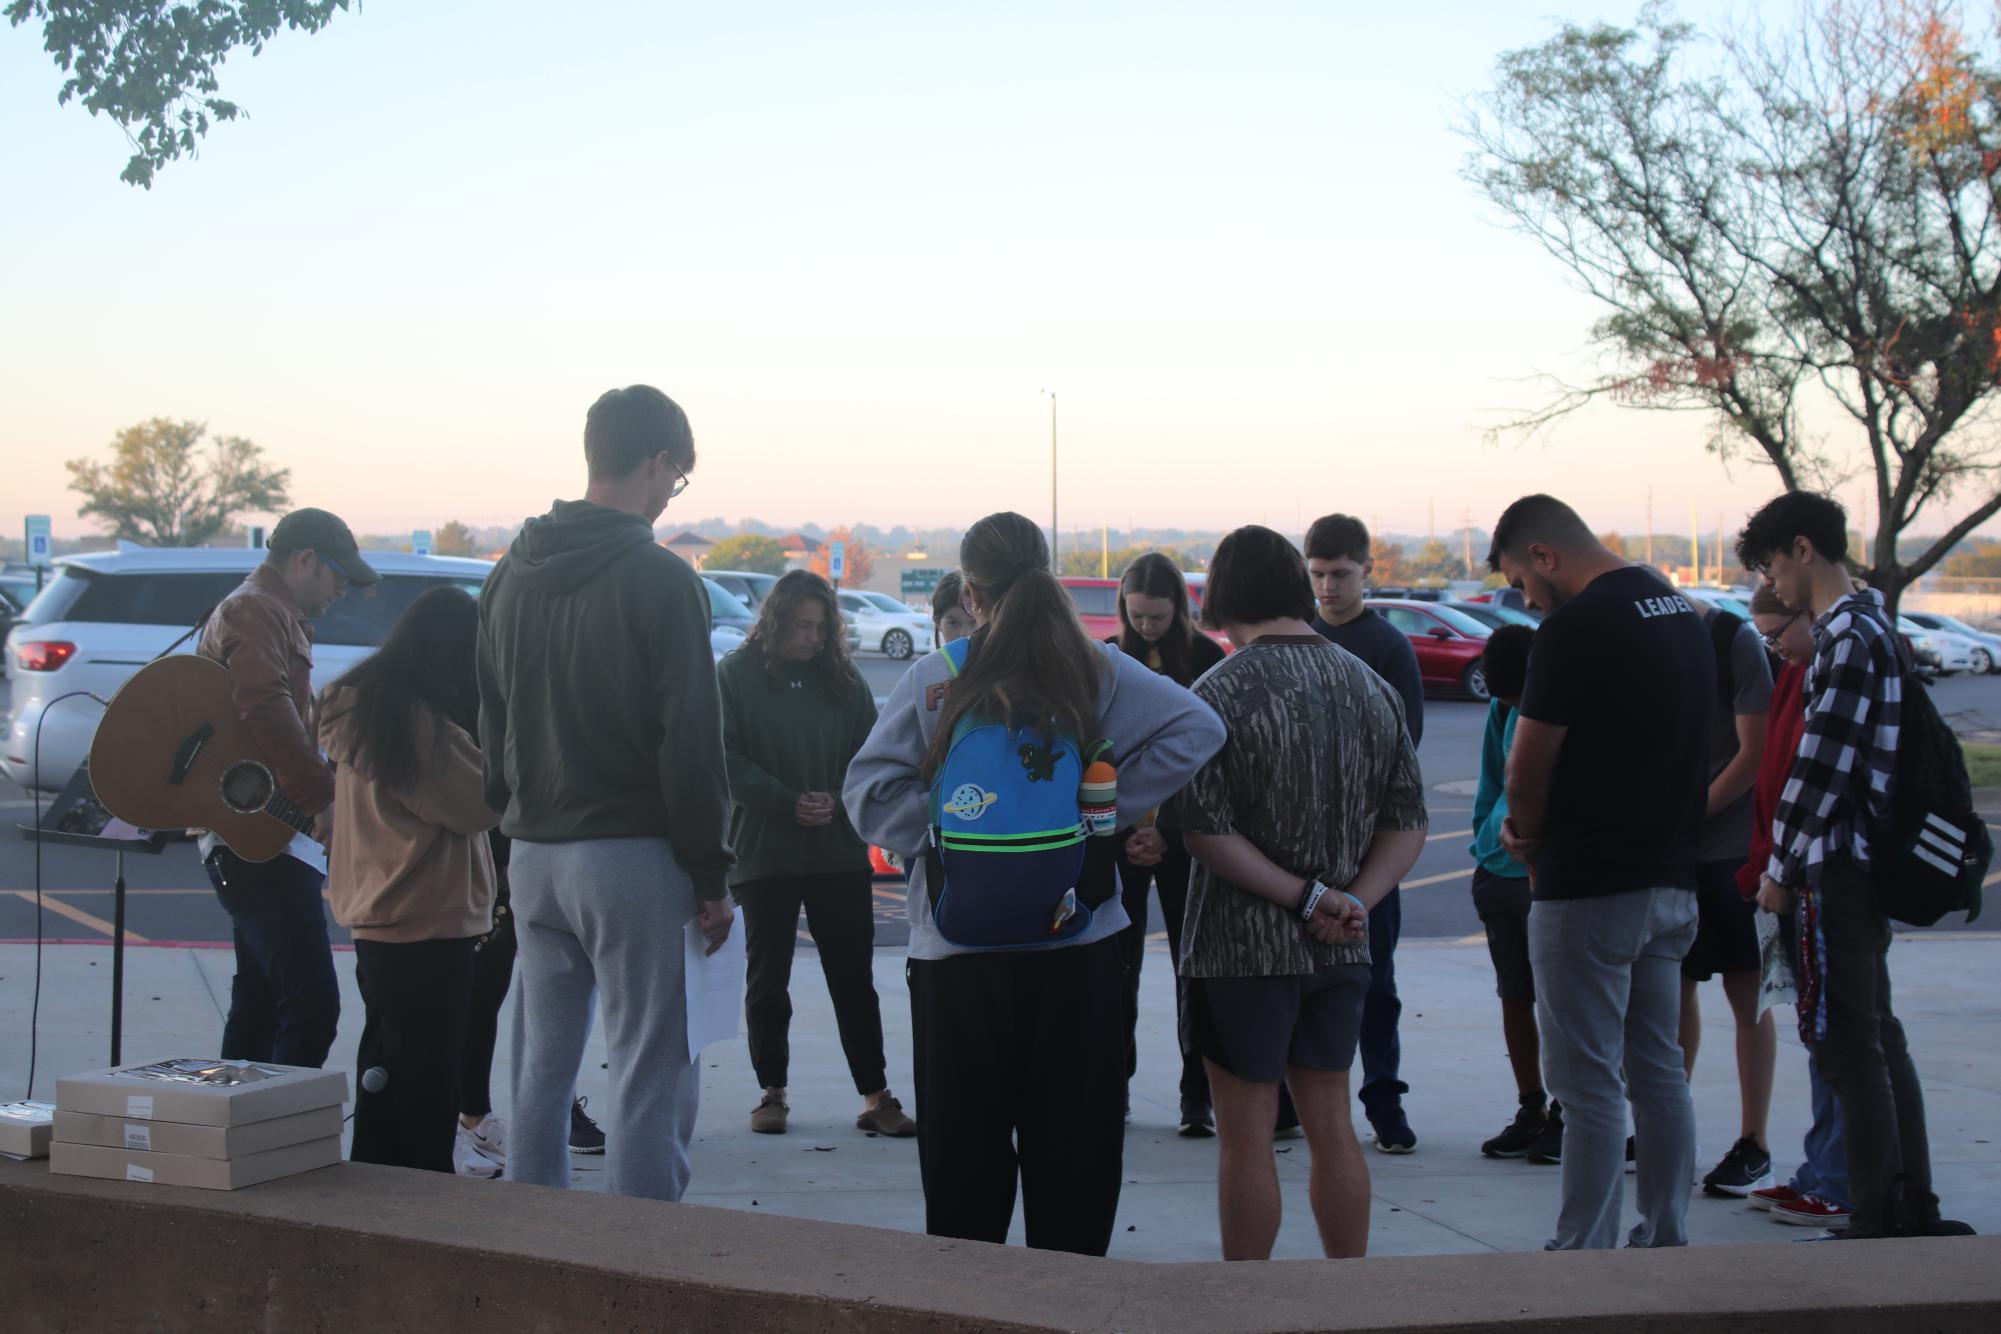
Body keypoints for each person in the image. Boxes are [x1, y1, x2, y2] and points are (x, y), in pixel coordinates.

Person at [844, 511, 1224, 1256]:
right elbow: (1198, 729)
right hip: (1077, 943)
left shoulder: (936, 679)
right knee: (1075, 1163)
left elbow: (866, 795)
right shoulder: (1096, 669)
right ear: (1046, 575)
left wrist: (950, 827)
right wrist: (1093, 814)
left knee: (963, 1172)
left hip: (955, 957)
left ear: (971, 593)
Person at [478, 384, 735, 1203]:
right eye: (676, 479)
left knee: (539, 1072)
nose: (670, 497)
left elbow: (491, 723)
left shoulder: (507, 576)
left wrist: (508, 826)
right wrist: (710, 872)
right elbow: (692, 741)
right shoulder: (661, 580)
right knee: (649, 1073)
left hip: (533, 852)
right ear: (657, 462)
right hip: (629, 855)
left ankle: (535, 1255)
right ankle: (640, 1272)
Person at [1177, 525, 1428, 1260]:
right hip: (1342, 947)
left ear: (1220, 597)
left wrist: (1302, 897)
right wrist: (1352, 901)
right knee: (1331, 1121)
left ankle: (1249, 1304)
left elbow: (1202, 831)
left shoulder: (1216, 692)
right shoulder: (1369, 684)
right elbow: (1406, 822)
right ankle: (1345, 1293)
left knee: (1246, 1137)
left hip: (1238, 954)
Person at [1737, 491, 1973, 1239]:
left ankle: (1879, 1210)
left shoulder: (1844, 635)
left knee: (1846, 1047)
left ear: (1804, 550)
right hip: (1859, 866)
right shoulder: (1873, 622)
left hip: (1835, 870)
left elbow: (1821, 768)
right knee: (1877, 1035)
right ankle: (1906, 1201)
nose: (1773, 583)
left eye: (1774, 564)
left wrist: (1779, 869)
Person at [1490, 494, 1711, 1251]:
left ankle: (1580, 1253)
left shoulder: (1575, 625)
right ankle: (1664, 1236)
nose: (1524, 597)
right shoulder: (1677, 609)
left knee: (1584, 1084)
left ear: (1544, 555)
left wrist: (1528, 837)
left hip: (1588, 882)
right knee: (1658, 1072)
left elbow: (1527, 764)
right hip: (1672, 880)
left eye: (1521, 578)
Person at [721, 570, 916, 1139]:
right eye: (802, 626)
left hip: (837, 849)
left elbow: (870, 754)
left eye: (821, 627)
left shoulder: (845, 681)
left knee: (853, 978)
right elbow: (723, 757)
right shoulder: (734, 676)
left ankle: (876, 1096)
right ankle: (772, 1092)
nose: (812, 637)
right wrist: (785, 802)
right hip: (764, 850)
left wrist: (832, 799)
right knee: (768, 979)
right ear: (775, 621)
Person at [321, 586, 498, 1174]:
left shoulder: (364, 706)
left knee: (387, 1065)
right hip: (427, 913)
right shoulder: (419, 725)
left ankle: (378, 1177)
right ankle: (419, 1200)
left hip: (377, 910)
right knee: (427, 1076)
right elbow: (480, 803)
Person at [196, 507, 379, 1068]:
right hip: (257, 834)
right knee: (310, 1004)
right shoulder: (257, 610)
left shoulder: (268, 610)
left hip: (262, 829)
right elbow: (265, 707)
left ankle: (236, 1136)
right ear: (304, 561)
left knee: (260, 1001)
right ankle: (278, 1137)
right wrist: (321, 797)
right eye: (337, 577)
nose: (341, 591)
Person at [1302, 513, 1423, 1152]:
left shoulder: (1387, 647)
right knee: (1301, 980)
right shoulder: (1301, 637)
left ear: (1366, 571)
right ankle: (1295, 1102)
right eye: (1317, 574)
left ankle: (1383, 1099)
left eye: (1340, 575)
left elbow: (1407, 749)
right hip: (1300, 850)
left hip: (1368, 847)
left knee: (1375, 982)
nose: (1327, 587)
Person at [1095, 552, 1227, 1138]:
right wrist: (1129, 825)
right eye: (1136, 614)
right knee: (1115, 970)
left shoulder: (1204, 659)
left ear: (1180, 607)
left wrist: (1167, 831)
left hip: (1184, 836)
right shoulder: (1106, 659)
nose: (1146, 625)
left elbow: (1212, 757)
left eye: (1158, 615)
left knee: (1189, 967)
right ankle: (1113, 1085)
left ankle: (1195, 1094)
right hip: (1118, 835)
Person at [1740, 582, 1850, 1230]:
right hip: (1784, 878)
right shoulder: (1796, 673)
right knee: (1816, 1028)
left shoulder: (1832, 673)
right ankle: (1819, 1168)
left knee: (1838, 1035)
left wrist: (1777, 870)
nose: (1774, 649)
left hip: (1818, 882)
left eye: (1777, 635)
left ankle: (1838, 1178)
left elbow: (1812, 786)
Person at [1679, 591, 1777, 1197]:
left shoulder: (1733, 640)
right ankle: (1670, 1123)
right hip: (1677, 853)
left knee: (1749, 999)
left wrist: (1690, 815)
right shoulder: (1653, 644)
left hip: (1733, 849)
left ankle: (1754, 1143)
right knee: (1673, 993)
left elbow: (1754, 754)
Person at [1465, 624, 1549, 1159]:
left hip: (1549, 877)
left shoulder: (1561, 703)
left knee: (1562, 1005)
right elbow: (1491, 779)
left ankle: (1568, 1111)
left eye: (1519, 697)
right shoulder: (1504, 704)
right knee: (1514, 996)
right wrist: (1483, 842)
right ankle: (1531, 1105)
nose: (1514, 707)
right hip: (1501, 873)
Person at [931, 570, 976, 645]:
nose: (965, 635)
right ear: (938, 623)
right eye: (953, 623)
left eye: (974, 622)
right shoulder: (935, 657)